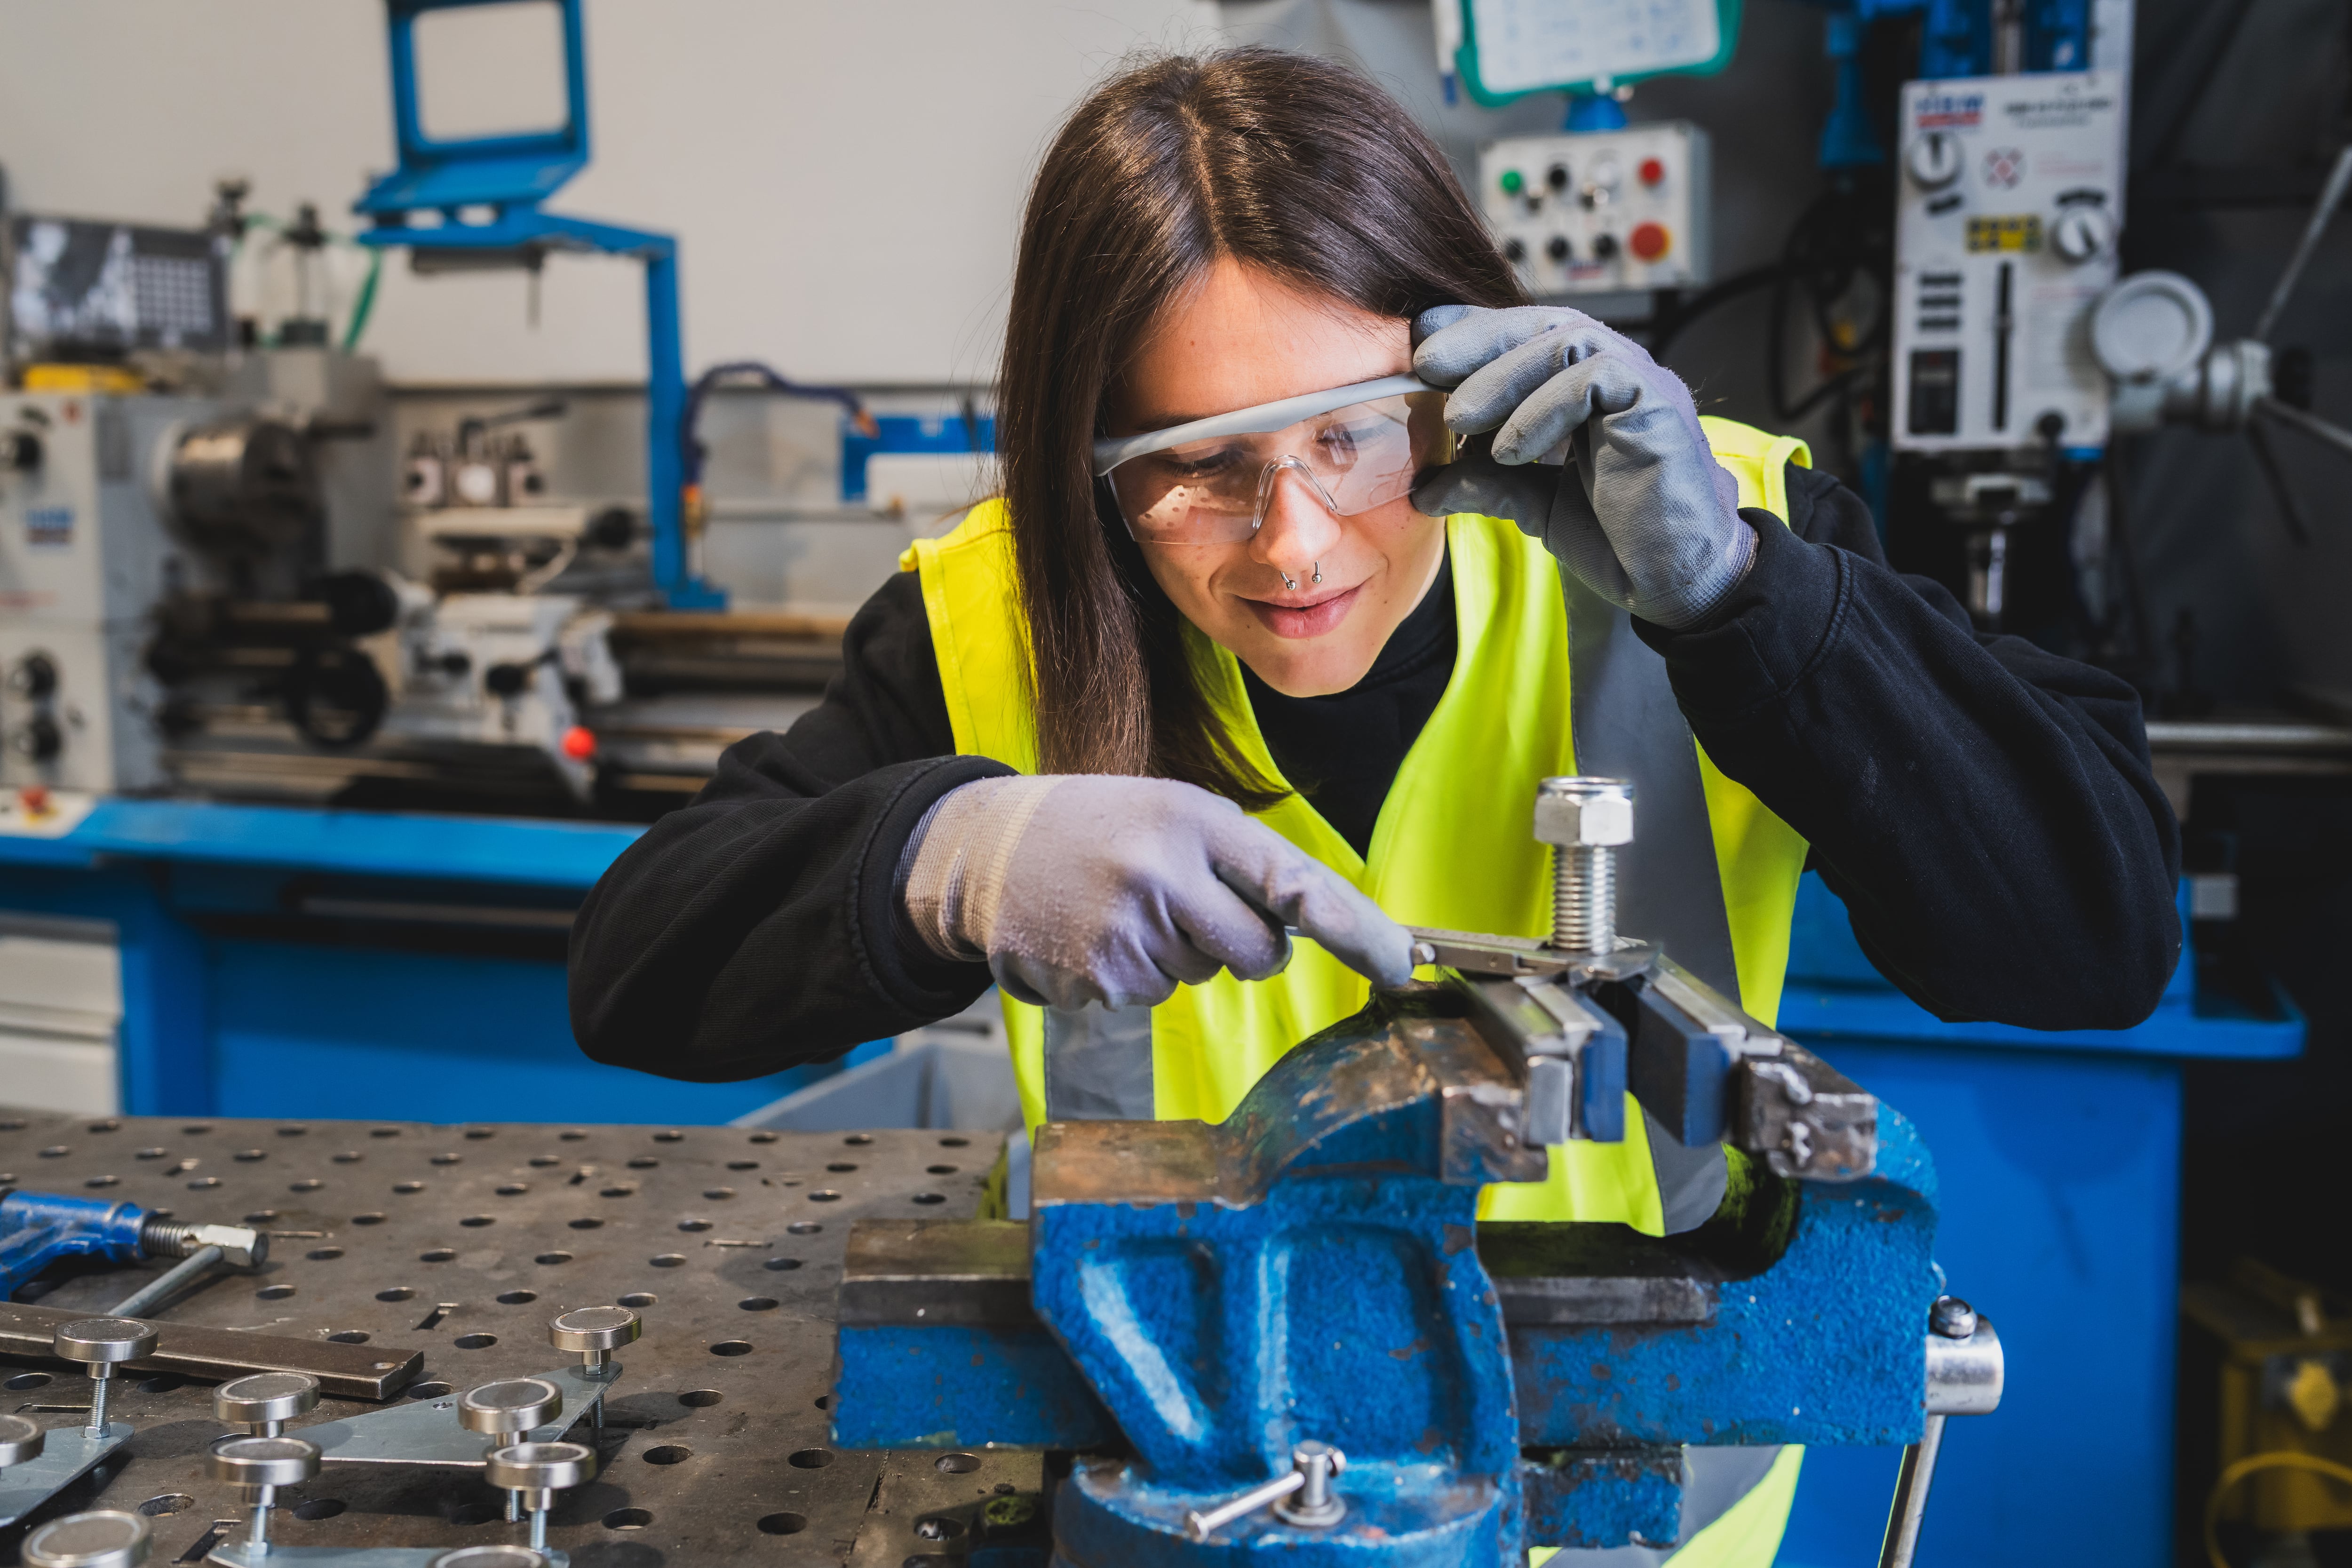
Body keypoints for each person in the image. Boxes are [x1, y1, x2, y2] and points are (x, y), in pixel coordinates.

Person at [569, 47, 2178, 1567]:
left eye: (1357, 435)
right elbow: (636, 974)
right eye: (1195, 468)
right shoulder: (988, 623)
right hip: (1172, 1500)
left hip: (1627, 1520)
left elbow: (2092, 940)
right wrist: (944, 855)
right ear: (1087, 467)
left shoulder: (1708, 526)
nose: (1296, 545)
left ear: (1461, 383)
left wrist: (1748, 605)